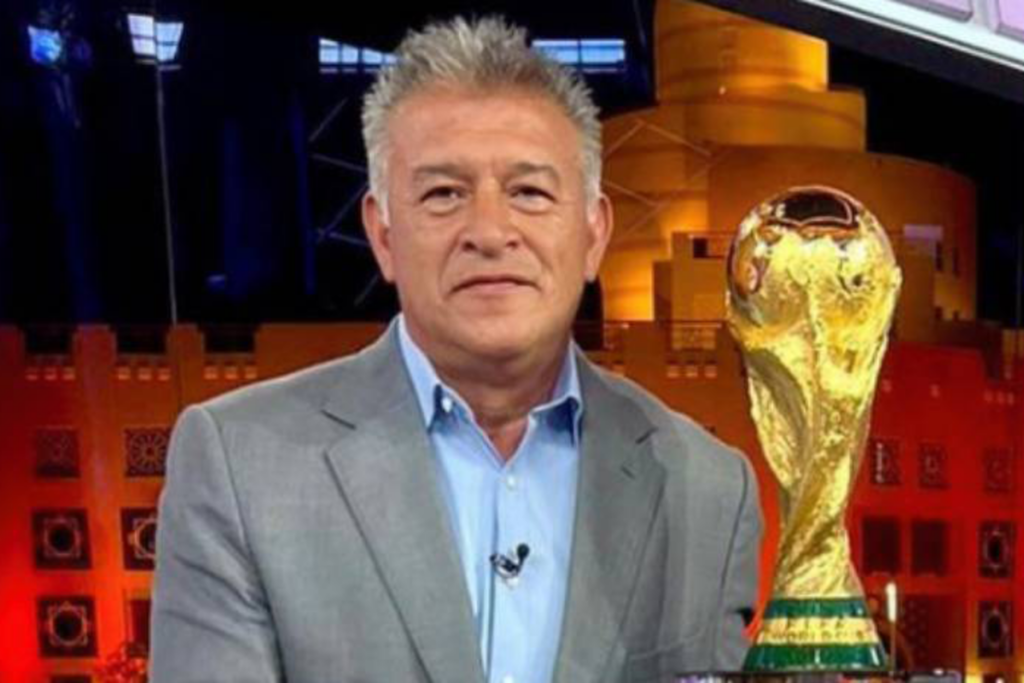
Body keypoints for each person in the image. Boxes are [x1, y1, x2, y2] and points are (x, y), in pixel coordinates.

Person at [150, 15, 762, 683]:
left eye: (529, 192)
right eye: (445, 194)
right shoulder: (241, 466)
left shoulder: (706, 488)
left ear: (592, 235)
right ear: (382, 235)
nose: (491, 231)